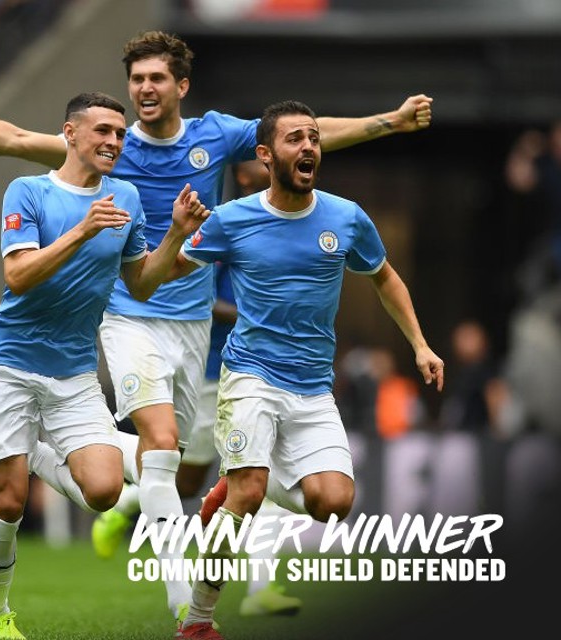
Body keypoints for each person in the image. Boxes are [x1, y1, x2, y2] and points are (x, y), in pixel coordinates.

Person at [0, 30, 434, 625]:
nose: (144, 90)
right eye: (136, 80)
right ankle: (186, 606)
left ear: (181, 86)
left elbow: (305, 134)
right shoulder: (109, 145)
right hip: (128, 316)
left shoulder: (217, 134)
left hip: (190, 320)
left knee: (180, 464)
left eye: (157, 79)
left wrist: (388, 122)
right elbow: (14, 139)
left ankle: (97, 485)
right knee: (158, 447)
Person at [172, 100, 444, 640]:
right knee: (248, 491)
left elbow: (385, 279)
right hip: (249, 374)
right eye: (296, 138)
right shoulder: (233, 219)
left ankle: (239, 485)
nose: (310, 147)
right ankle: (199, 620)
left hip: (313, 388)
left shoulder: (345, 218)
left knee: (333, 503)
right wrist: (175, 234)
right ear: (266, 155)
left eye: (315, 138)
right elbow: (170, 270)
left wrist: (419, 344)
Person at [0, 91, 208, 640]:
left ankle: (31, 453)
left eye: (120, 134)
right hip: (9, 364)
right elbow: (17, 277)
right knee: (7, 502)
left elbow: (140, 284)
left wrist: (175, 232)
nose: (113, 142)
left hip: (75, 371)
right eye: (102, 130)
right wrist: (82, 230)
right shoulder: (28, 190)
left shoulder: (125, 197)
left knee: (103, 490)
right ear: (70, 134)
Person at [94, 160, 303, 617]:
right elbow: (202, 290)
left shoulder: (291, 222)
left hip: (265, 370)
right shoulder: (230, 222)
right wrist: (259, 314)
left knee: (257, 471)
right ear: (248, 174)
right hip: (213, 364)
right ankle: (127, 500)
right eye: (259, 160)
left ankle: (260, 589)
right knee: (187, 475)